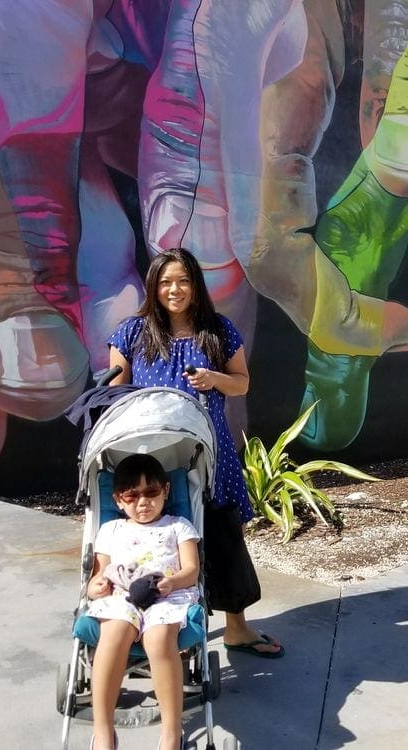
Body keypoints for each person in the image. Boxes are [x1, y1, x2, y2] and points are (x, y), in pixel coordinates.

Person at [108, 248, 284, 658]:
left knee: (223, 536)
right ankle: (160, 628)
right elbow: (112, 393)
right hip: (152, 455)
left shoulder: (218, 329)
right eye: (166, 281)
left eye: (183, 281)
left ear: (195, 286)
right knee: (159, 538)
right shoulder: (132, 332)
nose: (175, 290)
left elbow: (242, 384)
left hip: (211, 451)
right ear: (154, 286)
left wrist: (213, 377)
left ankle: (236, 628)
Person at [86, 453, 199, 750]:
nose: (142, 502)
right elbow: (98, 576)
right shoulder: (111, 530)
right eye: (131, 495)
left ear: (166, 490)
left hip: (167, 593)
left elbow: (191, 570)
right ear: (118, 500)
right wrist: (96, 586)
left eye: (151, 492)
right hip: (121, 594)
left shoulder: (178, 525)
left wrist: (171, 582)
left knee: (159, 640)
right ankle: (103, 733)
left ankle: (171, 736)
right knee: (114, 634)